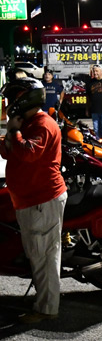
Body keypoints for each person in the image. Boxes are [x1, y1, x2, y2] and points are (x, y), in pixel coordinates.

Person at [0, 78, 67, 323]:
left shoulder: (43, 125)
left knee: (45, 256)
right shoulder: (26, 123)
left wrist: (14, 132)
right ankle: (44, 301)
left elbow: (29, 153)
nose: (9, 103)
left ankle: (47, 309)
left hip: (42, 200)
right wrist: (12, 131)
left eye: (13, 98)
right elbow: (7, 152)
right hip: (29, 201)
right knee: (37, 255)